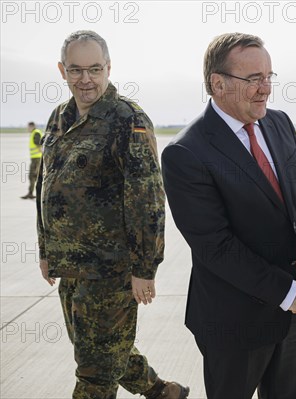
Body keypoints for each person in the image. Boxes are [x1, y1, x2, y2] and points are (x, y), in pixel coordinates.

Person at [161, 32, 296, 399]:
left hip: (290, 312)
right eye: (253, 79)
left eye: (269, 77)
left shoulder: (279, 123)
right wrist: (289, 293)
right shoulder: (186, 153)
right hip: (233, 322)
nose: (265, 88)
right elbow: (215, 247)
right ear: (217, 83)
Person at [36, 30, 189, 399]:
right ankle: (161, 392)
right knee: (99, 348)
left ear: (108, 68)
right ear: (62, 70)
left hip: (111, 269)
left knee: (94, 371)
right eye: (75, 70)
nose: (85, 79)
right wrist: (45, 251)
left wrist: (144, 268)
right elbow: (47, 185)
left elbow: (148, 199)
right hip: (70, 263)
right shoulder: (60, 117)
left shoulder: (127, 119)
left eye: (94, 69)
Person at [21, 121, 43, 199]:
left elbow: (39, 144)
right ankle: (32, 193)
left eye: (28, 127)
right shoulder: (35, 133)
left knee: (33, 176)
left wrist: (42, 155)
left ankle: (34, 193)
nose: (27, 129)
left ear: (32, 126)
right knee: (34, 176)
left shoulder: (36, 133)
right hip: (36, 158)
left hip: (36, 158)